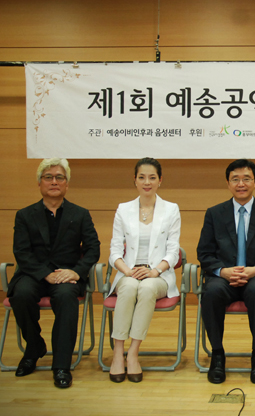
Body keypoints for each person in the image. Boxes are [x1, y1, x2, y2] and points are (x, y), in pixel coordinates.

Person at [8, 158, 100, 388]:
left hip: (67, 275)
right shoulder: (24, 215)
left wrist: (77, 272)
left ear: (67, 184)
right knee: (21, 294)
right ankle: (34, 347)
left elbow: (93, 248)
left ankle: (61, 366)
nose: (54, 182)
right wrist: (44, 274)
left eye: (60, 177)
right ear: (39, 183)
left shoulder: (80, 214)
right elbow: (21, 252)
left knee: (67, 297)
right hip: (34, 274)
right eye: (48, 177)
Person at [197, 159, 255, 384]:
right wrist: (222, 271)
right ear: (228, 183)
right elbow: (204, 253)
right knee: (211, 293)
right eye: (235, 179)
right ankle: (217, 355)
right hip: (223, 277)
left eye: (246, 179)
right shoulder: (214, 213)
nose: (241, 184)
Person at [107, 158, 181, 383]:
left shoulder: (171, 209)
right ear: (135, 180)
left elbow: (173, 252)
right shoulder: (123, 209)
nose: (147, 182)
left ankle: (133, 353)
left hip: (158, 275)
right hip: (128, 272)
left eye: (152, 177)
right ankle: (118, 353)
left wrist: (155, 271)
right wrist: (128, 271)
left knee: (147, 288)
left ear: (160, 180)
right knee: (129, 288)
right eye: (142, 177)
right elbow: (114, 251)